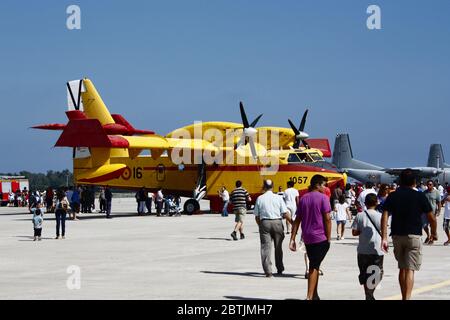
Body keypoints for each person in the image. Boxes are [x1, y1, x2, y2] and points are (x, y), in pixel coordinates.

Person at [381, 169, 437, 300]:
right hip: (414, 236)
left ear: (400, 181)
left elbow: (384, 216)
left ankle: (403, 296)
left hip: (397, 235)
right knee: (410, 269)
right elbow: (432, 218)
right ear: (414, 182)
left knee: (402, 267)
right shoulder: (420, 196)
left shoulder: (393, 195)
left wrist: (384, 237)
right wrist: (433, 233)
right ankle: (407, 298)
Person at [289, 175, 332, 300]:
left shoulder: (303, 199)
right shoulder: (323, 198)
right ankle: (309, 296)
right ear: (317, 185)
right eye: (324, 185)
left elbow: (297, 220)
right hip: (320, 237)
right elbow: (327, 219)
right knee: (314, 266)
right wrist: (329, 238)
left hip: (307, 237)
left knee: (316, 265)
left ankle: (315, 295)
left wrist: (292, 238)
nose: (325, 188)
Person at [254, 180, 291, 277]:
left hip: (264, 222)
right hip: (277, 222)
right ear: (273, 186)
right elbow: (285, 213)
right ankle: (279, 268)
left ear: (264, 186)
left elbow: (257, 216)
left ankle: (268, 271)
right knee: (278, 247)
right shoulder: (278, 198)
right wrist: (293, 223)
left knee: (266, 248)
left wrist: (261, 225)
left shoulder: (260, 198)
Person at [351, 193, 384, 300]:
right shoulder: (380, 216)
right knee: (376, 274)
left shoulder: (360, 215)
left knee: (365, 274)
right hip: (376, 250)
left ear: (365, 203)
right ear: (376, 203)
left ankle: (368, 295)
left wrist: (362, 230)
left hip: (362, 250)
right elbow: (384, 231)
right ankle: (369, 294)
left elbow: (354, 233)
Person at [423, 180, 442, 245]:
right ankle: (428, 235)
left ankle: (431, 238)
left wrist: (439, 210)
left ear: (433, 185)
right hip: (425, 212)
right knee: (424, 225)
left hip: (432, 212)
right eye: (428, 184)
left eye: (430, 184)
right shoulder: (424, 192)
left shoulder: (436, 192)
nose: (429, 186)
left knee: (432, 226)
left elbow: (439, 202)